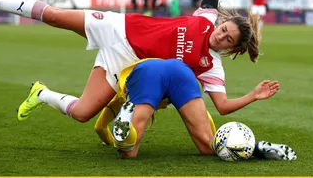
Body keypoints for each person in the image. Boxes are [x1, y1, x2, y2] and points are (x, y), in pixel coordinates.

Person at [0, 0, 281, 125]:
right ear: (222, 22)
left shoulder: (211, 67)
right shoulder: (206, 17)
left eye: (227, 40)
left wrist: (252, 96)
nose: (221, 36)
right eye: (224, 29)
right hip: (119, 26)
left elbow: (221, 107)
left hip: (124, 62)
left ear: (233, 48)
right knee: (55, 16)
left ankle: (40, 94)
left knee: (83, 114)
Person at [96, 58, 296, 160]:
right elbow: (207, 121)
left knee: (128, 152)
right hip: (181, 70)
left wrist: (108, 140)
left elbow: (99, 127)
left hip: (147, 74)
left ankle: (124, 128)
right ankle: (254, 148)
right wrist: (212, 138)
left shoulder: (122, 90)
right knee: (208, 147)